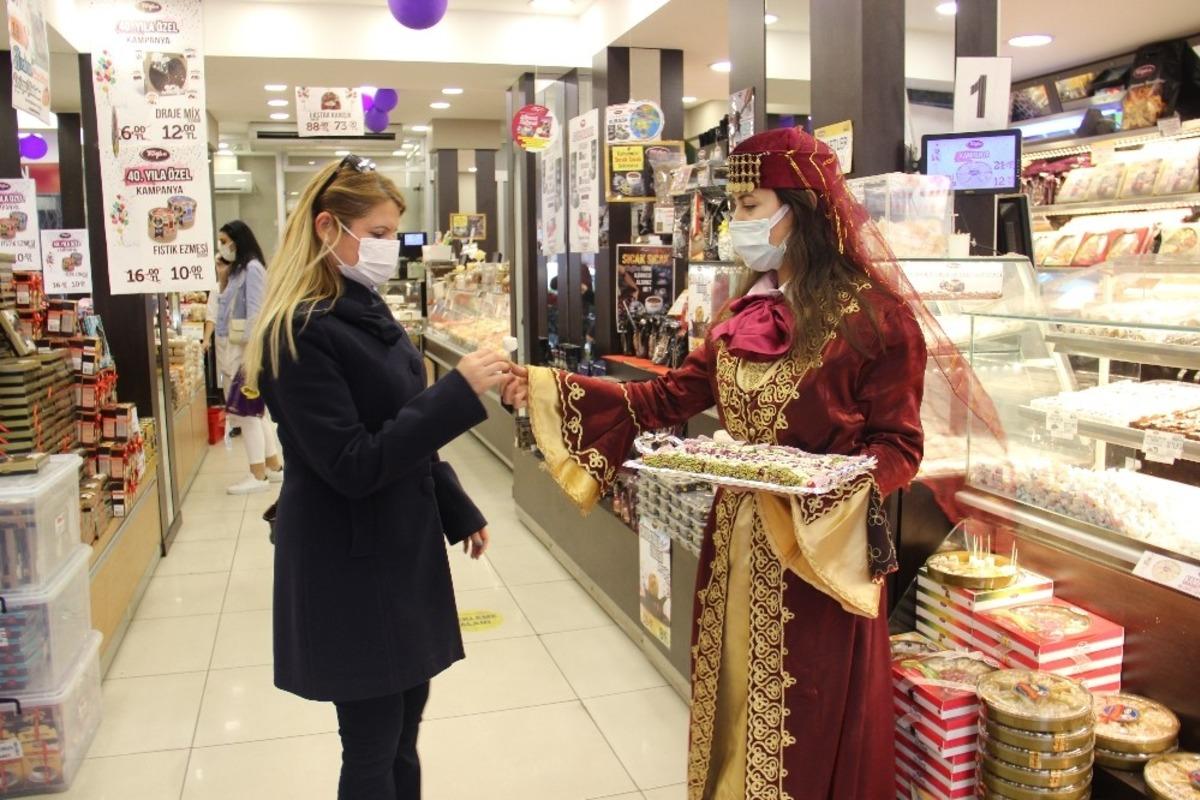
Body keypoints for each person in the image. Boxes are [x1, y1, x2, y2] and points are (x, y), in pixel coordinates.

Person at [504, 128, 977, 799]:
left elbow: (900, 446)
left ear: (801, 210)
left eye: (750, 205)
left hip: (819, 552)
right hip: (733, 543)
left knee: (807, 710)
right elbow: (667, 396)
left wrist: (831, 484)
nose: (736, 223)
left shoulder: (876, 321)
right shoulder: (741, 311)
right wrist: (550, 388)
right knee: (733, 694)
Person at [241, 155, 513, 800]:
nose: (393, 247)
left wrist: (456, 507)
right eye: (382, 233)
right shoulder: (300, 333)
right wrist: (458, 393)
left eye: (396, 232)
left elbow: (398, 426)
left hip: (398, 546)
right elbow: (351, 462)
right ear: (328, 227)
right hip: (348, 560)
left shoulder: (365, 307)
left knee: (403, 729)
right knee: (370, 743)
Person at [215, 220, 280, 493]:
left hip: (247, 350)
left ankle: (257, 475)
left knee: (247, 414)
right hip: (238, 348)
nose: (221, 247)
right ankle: (273, 467)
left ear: (237, 240)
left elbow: (256, 310)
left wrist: (252, 356)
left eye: (224, 241)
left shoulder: (252, 269)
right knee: (256, 413)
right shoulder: (239, 270)